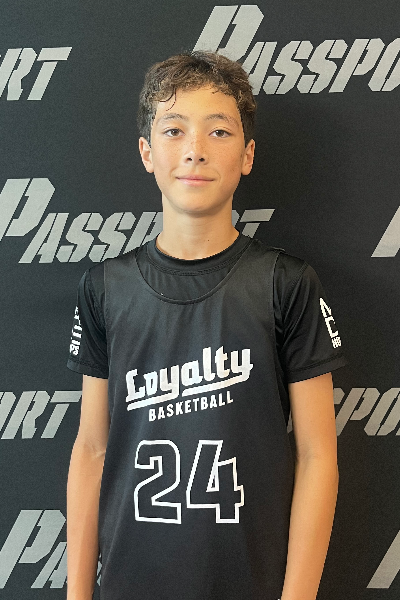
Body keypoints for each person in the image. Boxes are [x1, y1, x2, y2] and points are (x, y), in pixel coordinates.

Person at [66, 50, 348, 600]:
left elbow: (318, 455)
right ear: (147, 152)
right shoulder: (104, 287)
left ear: (247, 155)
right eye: (174, 130)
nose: (195, 149)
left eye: (219, 131)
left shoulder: (285, 284)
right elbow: (92, 449)